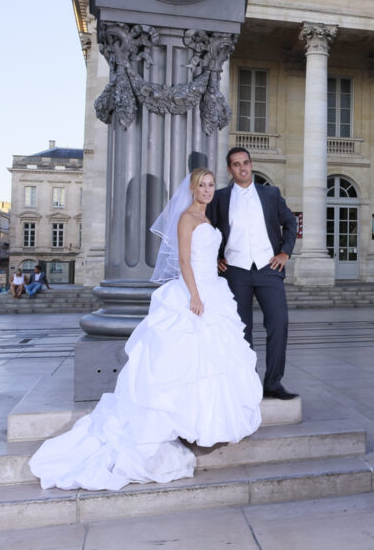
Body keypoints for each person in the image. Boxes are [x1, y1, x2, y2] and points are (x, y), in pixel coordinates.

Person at [29, 169, 262, 491]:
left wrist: (215, 267)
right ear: (193, 188)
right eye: (202, 185)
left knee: (213, 361)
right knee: (185, 362)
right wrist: (195, 296)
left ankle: (205, 422)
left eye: (210, 185)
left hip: (214, 288)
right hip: (196, 292)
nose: (207, 190)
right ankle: (179, 423)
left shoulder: (206, 218)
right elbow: (183, 260)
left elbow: (203, 254)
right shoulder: (186, 218)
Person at [208, 148, 298, 400]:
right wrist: (214, 258)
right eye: (236, 165)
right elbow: (205, 231)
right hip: (235, 272)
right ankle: (246, 382)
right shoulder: (219, 198)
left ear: (251, 164)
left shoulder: (270, 194)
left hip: (269, 269)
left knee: (279, 324)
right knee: (241, 330)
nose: (243, 168)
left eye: (245, 163)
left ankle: (273, 383)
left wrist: (285, 253)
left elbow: (291, 222)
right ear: (230, 169)